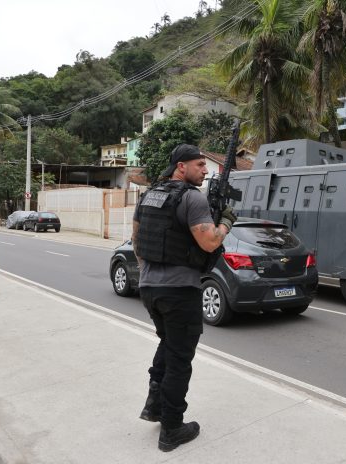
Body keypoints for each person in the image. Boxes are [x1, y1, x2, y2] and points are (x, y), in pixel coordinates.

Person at [131, 144, 237, 452]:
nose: (205, 170)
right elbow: (209, 242)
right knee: (180, 360)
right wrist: (227, 221)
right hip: (180, 292)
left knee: (168, 344)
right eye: (199, 164)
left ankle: (155, 405)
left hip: (151, 289)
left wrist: (150, 275)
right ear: (181, 167)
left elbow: (137, 241)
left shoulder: (149, 195)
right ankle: (172, 429)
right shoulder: (192, 197)